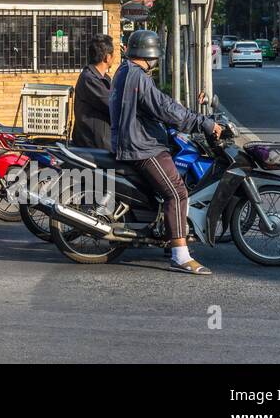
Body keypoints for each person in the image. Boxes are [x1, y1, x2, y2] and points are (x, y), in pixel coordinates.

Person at [110, 29, 225, 277]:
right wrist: (202, 123)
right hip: (142, 146)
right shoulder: (138, 77)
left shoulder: (126, 71)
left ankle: (170, 234)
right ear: (149, 54)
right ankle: (180, 255)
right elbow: (164, 108)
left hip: (137, 140)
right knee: (177, 192)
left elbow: (158, 105)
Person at [72, 34, 115, 151]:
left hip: (103, 141)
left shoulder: (103, 78)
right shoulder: (90, 79)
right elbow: (112, 104)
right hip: (93, 144)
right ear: (107, 57)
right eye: (113, 54)